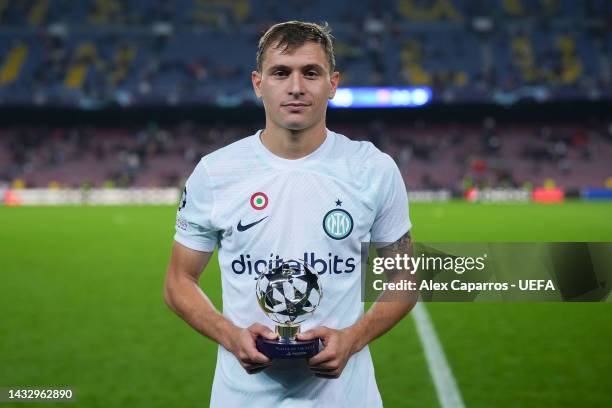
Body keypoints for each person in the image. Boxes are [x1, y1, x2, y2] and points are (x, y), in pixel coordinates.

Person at [164, 20, 415, 407]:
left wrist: (353, 338)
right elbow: (178, 281)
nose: (296, 86)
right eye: (281, 72)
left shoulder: (373, 169)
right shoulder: (215, 173)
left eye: (310, 73)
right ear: (258, 83)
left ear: (332, 83)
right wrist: (231, 336)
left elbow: (405, 275)